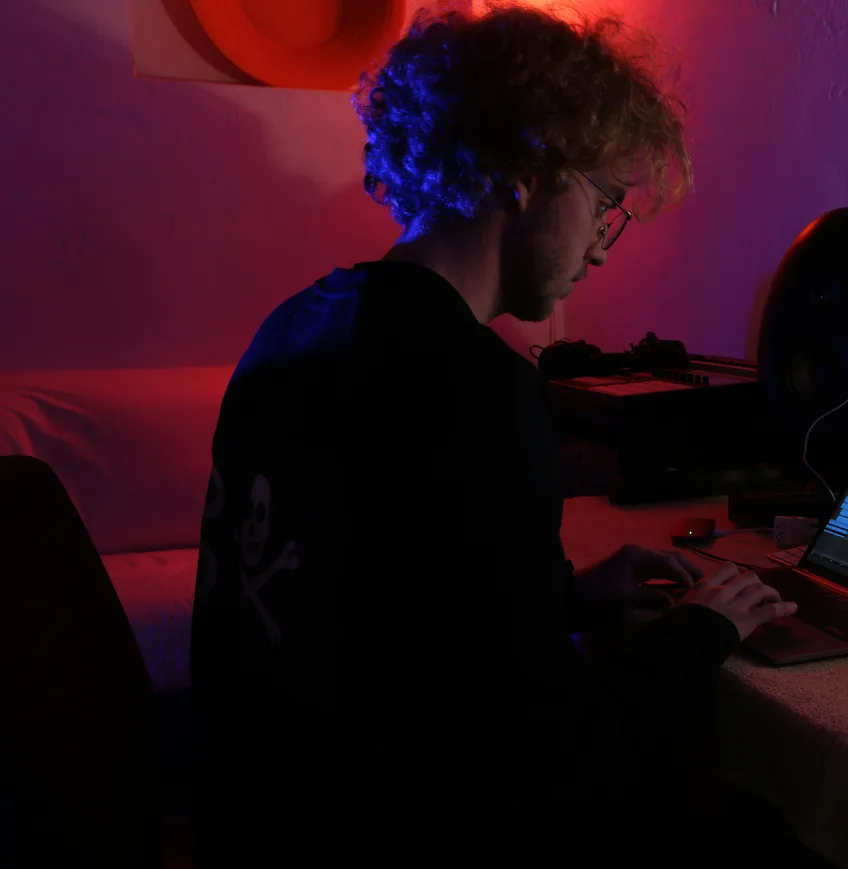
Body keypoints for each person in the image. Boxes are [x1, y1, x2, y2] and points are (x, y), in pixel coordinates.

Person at [189, 4, 804, 867]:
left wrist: (564, 593)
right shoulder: (470, 381)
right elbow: (558, 759)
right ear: (526, 170)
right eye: (604, 201)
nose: (602, 245)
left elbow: (385, 611)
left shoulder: (293, 328)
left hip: (270, 817)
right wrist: (702, 629)